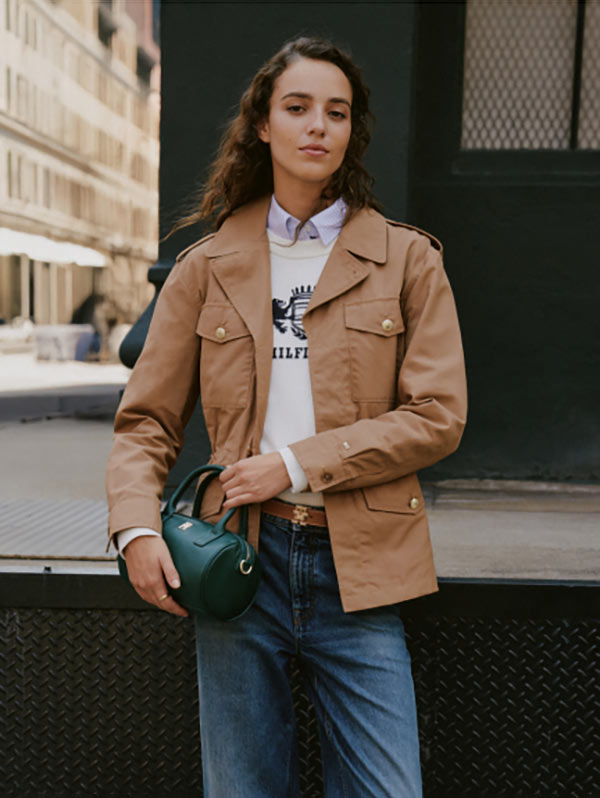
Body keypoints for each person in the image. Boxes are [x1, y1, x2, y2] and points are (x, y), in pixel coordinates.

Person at [105, 35, 467, 798]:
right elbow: (145, 423)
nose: (317, 126)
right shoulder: (206, 266)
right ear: (262, 126)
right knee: (241, 789)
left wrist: (296, 462)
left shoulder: (407, 261)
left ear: (351, 132)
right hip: (238, 560)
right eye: (297, 108)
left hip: (361, 561)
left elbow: (437, 415)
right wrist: (135, 529)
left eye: (336, 112)